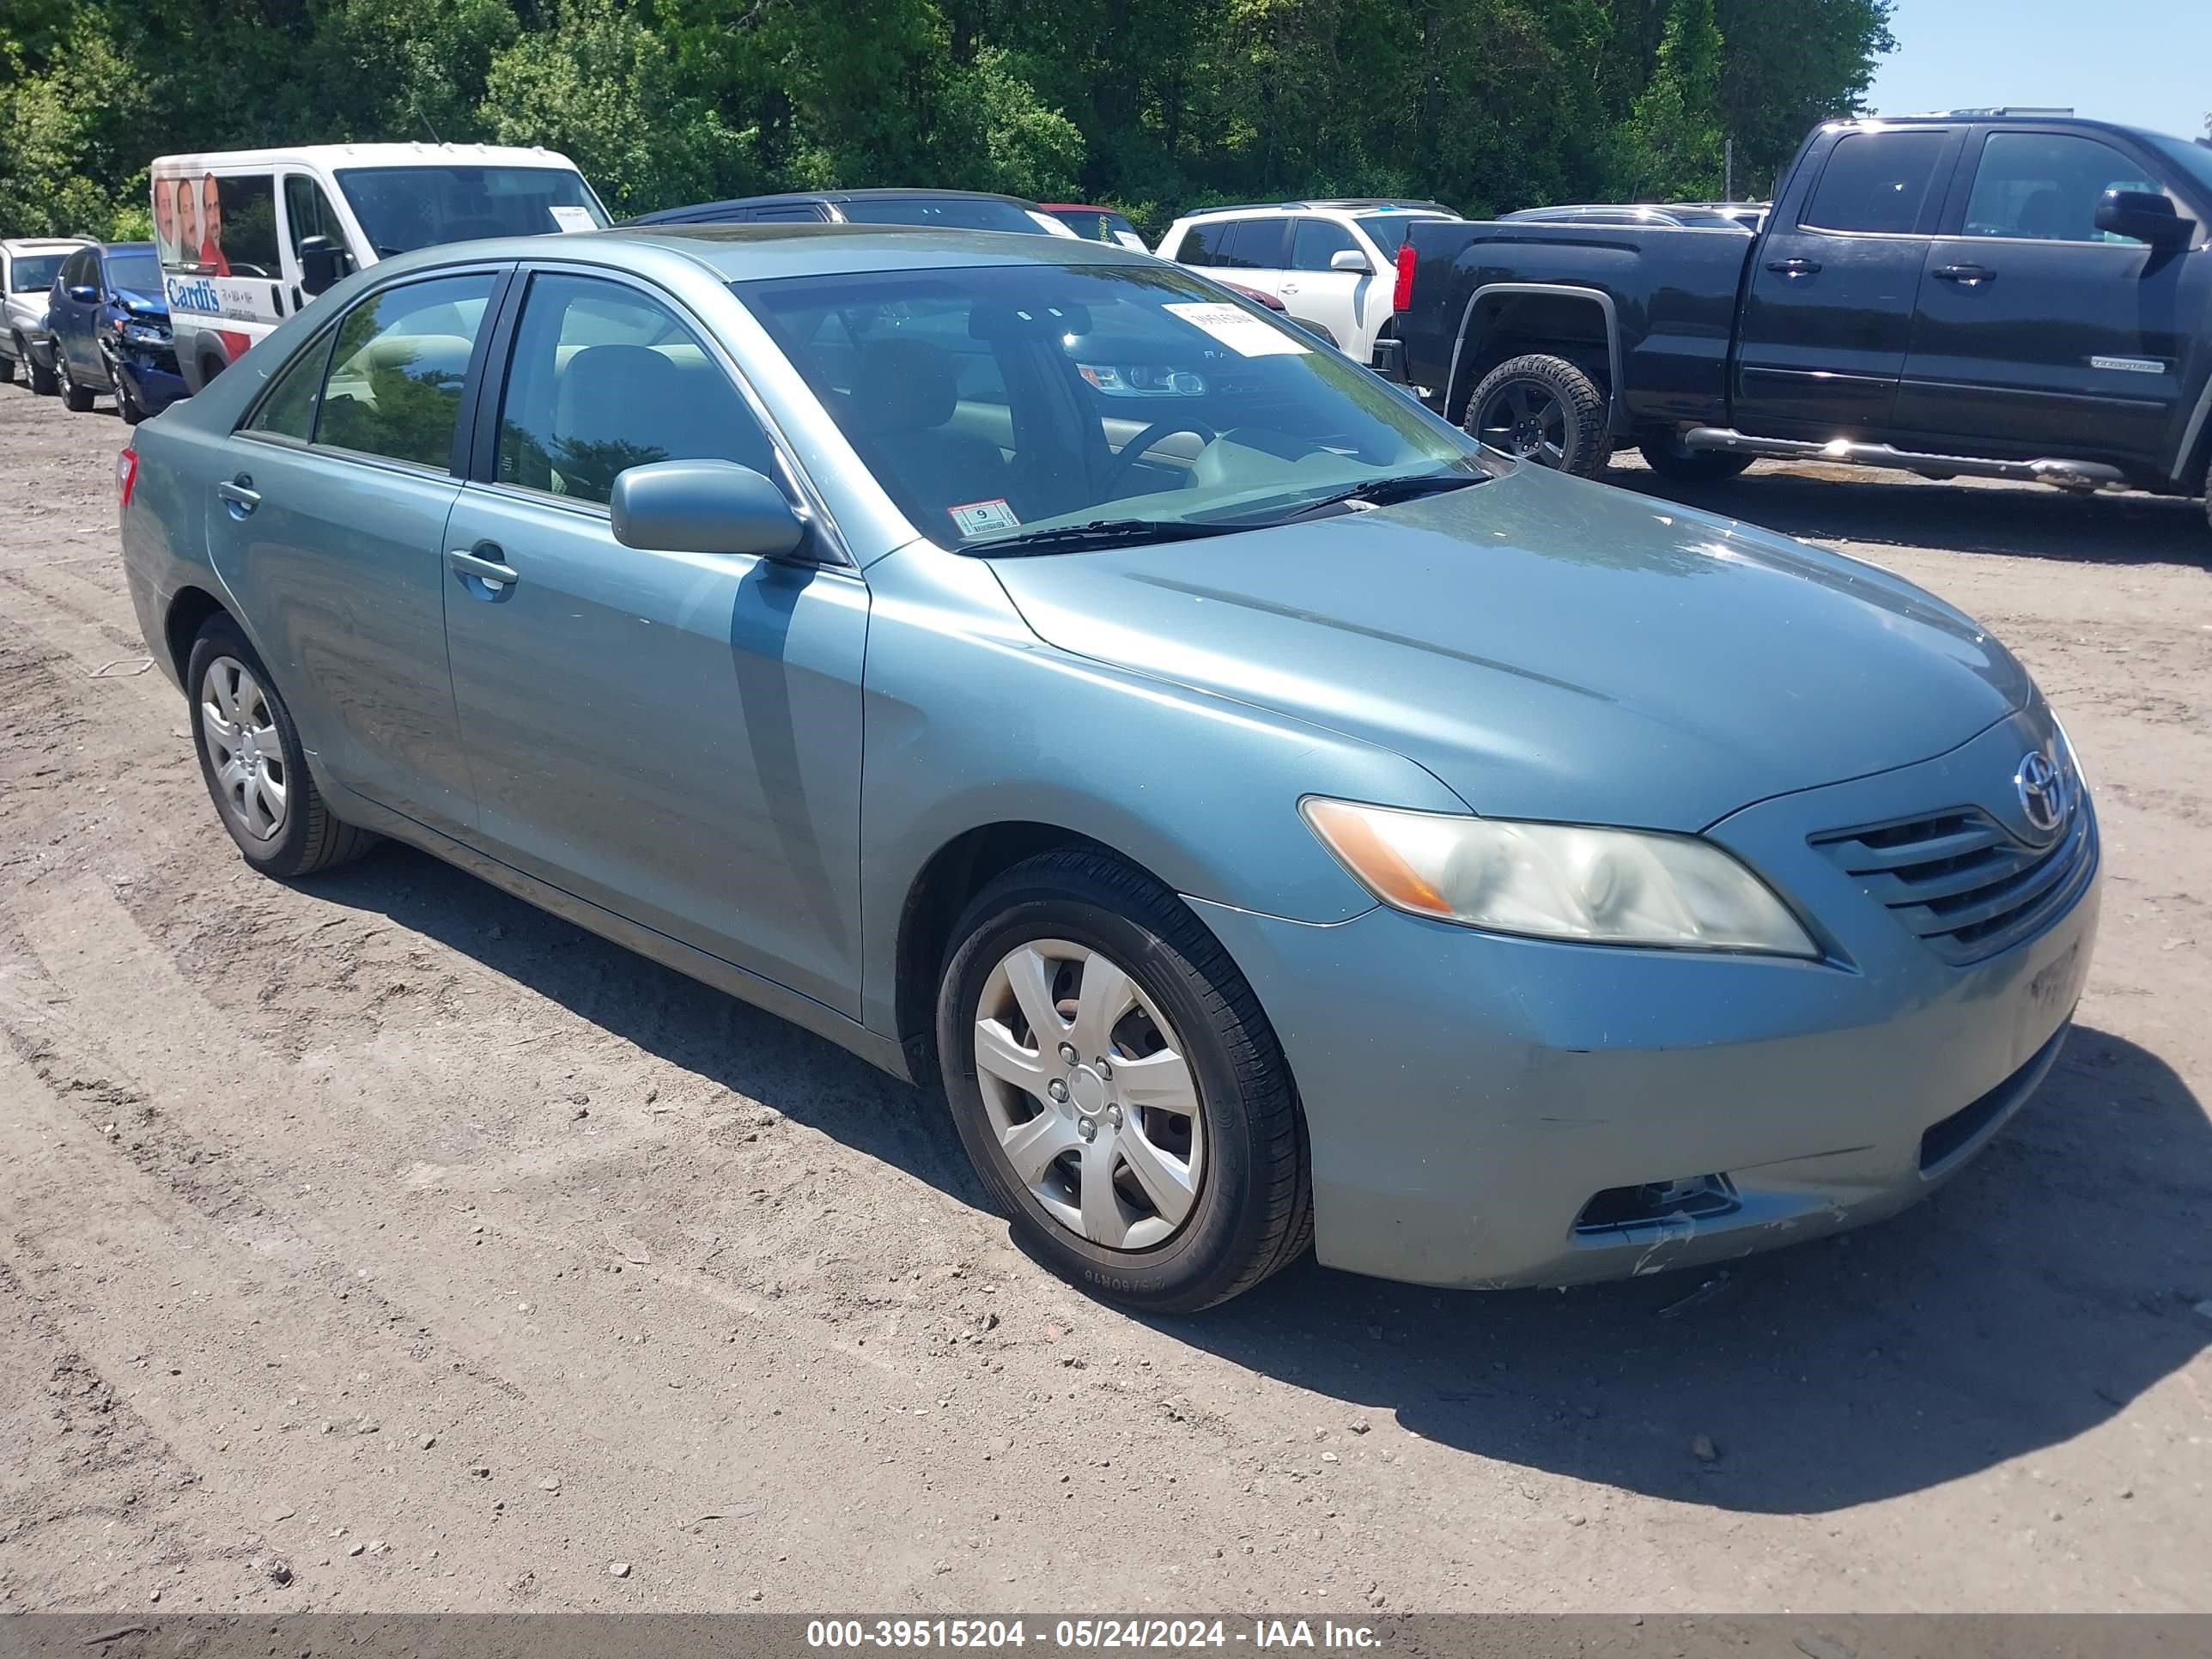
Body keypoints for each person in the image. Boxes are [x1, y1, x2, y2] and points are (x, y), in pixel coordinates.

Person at [198, 173, 229, 276]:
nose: (214, 214)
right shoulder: (208, 258)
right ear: (203, 213)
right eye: (209, 207)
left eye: (216, 205)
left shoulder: (218, 251)